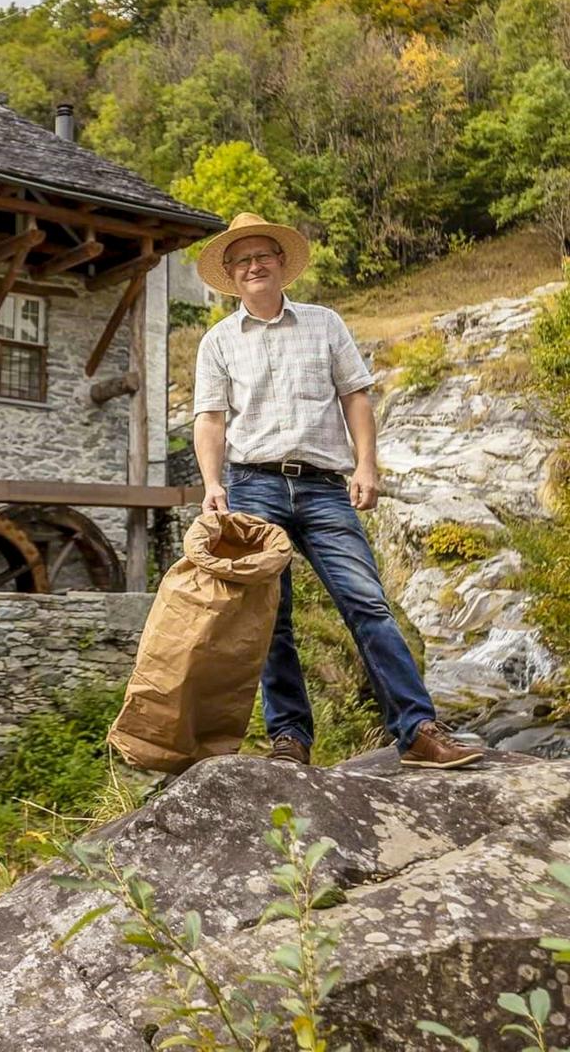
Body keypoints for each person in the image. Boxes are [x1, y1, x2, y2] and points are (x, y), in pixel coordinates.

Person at [191, 212, 483, 770]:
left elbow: (355, 397)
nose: (254, 265)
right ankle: (290, 740)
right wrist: (211, 485)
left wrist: (366, 466)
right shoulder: (217, 342)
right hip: (252, 484)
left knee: (367, 604)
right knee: (268, 616)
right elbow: (209, 420)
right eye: (242, 259)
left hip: (325, 487)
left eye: (263, 256)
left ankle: (418, 730)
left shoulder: (325, 324)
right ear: (230, 272)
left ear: (281, 264)